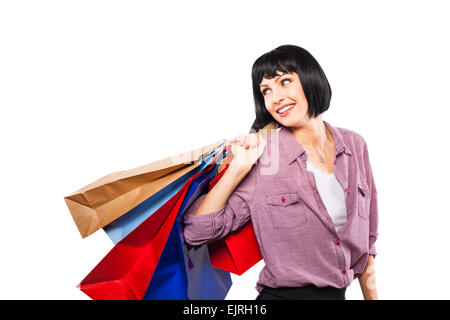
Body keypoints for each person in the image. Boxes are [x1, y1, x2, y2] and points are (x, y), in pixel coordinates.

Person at [182, 45, 379, 300]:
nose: (275, 98)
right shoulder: (266, 158)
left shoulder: (355, 146)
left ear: (310, 78)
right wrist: (238, 169)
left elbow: (367, 244)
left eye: (285, 81)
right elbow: (197, 232)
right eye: (266, 91)